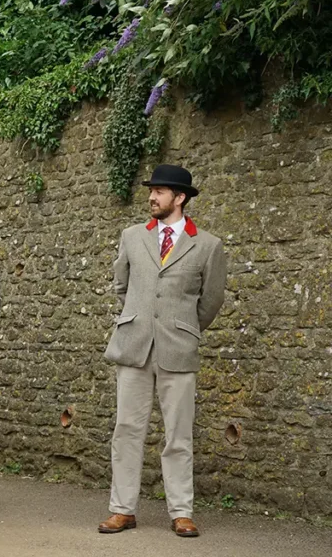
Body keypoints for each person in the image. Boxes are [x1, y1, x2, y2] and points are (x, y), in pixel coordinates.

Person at [99, 165, 227, 538]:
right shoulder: (132, 236)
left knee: (179, 435)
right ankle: (122, 510)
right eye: (151, 190)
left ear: (180, 197)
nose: (152, 197)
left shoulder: (207, 245)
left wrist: (183, 327)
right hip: (134, 345)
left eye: (160, 191)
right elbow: (121, 286)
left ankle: (181, 512)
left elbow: (211, 301)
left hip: (179, 347)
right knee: (126, 430)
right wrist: (139, 319)